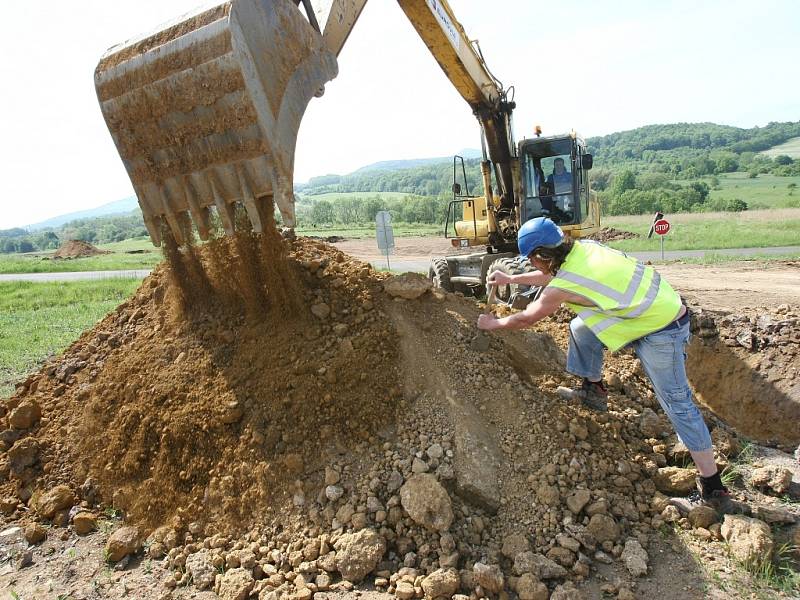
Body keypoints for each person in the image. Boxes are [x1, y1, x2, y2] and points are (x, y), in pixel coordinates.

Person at [477, 217, 731, 511]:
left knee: (676, 401)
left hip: (662, 327)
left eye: (532, 260)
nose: (532, 266)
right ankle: (593, 390)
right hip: (641, 312)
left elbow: (528, 317)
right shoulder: (583, 250)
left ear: (542, 255)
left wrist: (493, 323)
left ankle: (713, 488)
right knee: (581, 328)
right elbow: (555, 277)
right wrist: (511, 279)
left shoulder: (567, 279)